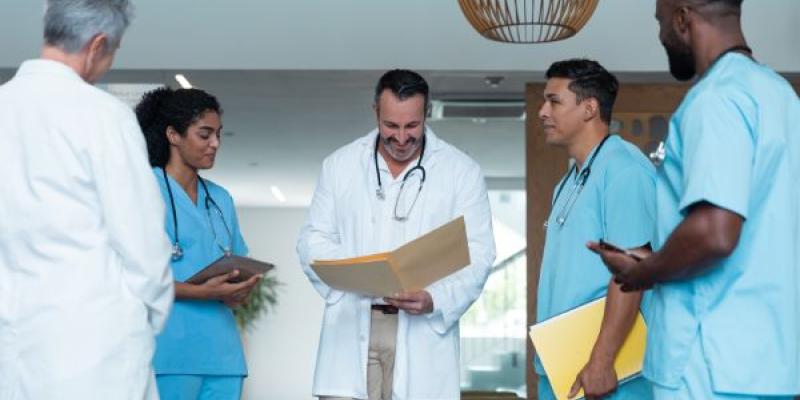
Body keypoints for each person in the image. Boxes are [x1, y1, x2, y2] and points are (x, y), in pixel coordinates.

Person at [589, 0, 800, 398]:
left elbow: (714, 233)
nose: (660, 35)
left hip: (707, 363)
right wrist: (654, 256)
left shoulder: (715, 100)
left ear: (683, 18)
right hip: (769, 364)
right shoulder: (779, 95)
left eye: (661, 22)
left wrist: (643, 273)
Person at [0, 1, 174, 399]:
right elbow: (142, 237)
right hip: (95, 341)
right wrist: (149, 315)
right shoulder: (102, 114)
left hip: (13, 337)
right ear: (97, 46)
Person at [296, 69, 496, 400]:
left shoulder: (461, 171)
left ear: (427, 114)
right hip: (353, 318)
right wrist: (354, 274)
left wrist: (437, 298)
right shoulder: (340, 165)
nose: (401, 138)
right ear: (376, 111)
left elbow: (479, 251)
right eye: (391, 126)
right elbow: (312, 239)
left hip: (423, 326)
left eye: (411, 126)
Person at [534, 59, 655, 400]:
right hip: (562, 364)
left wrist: (602, 359)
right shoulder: (566, 183)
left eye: (554, 101)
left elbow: (634, 274)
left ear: (589, 108)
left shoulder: (625, 171)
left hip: (608, 371)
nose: (543, 111)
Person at [135, 87, 261, 400]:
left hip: (223, 355)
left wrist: (237, 291)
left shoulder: (220, 198)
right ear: (173, 134)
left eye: (218, 134)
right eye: (204, 134)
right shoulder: (142, 189)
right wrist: (201, 292)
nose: (215, 144)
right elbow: (130, 275)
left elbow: (236, 262)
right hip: (167, 352)